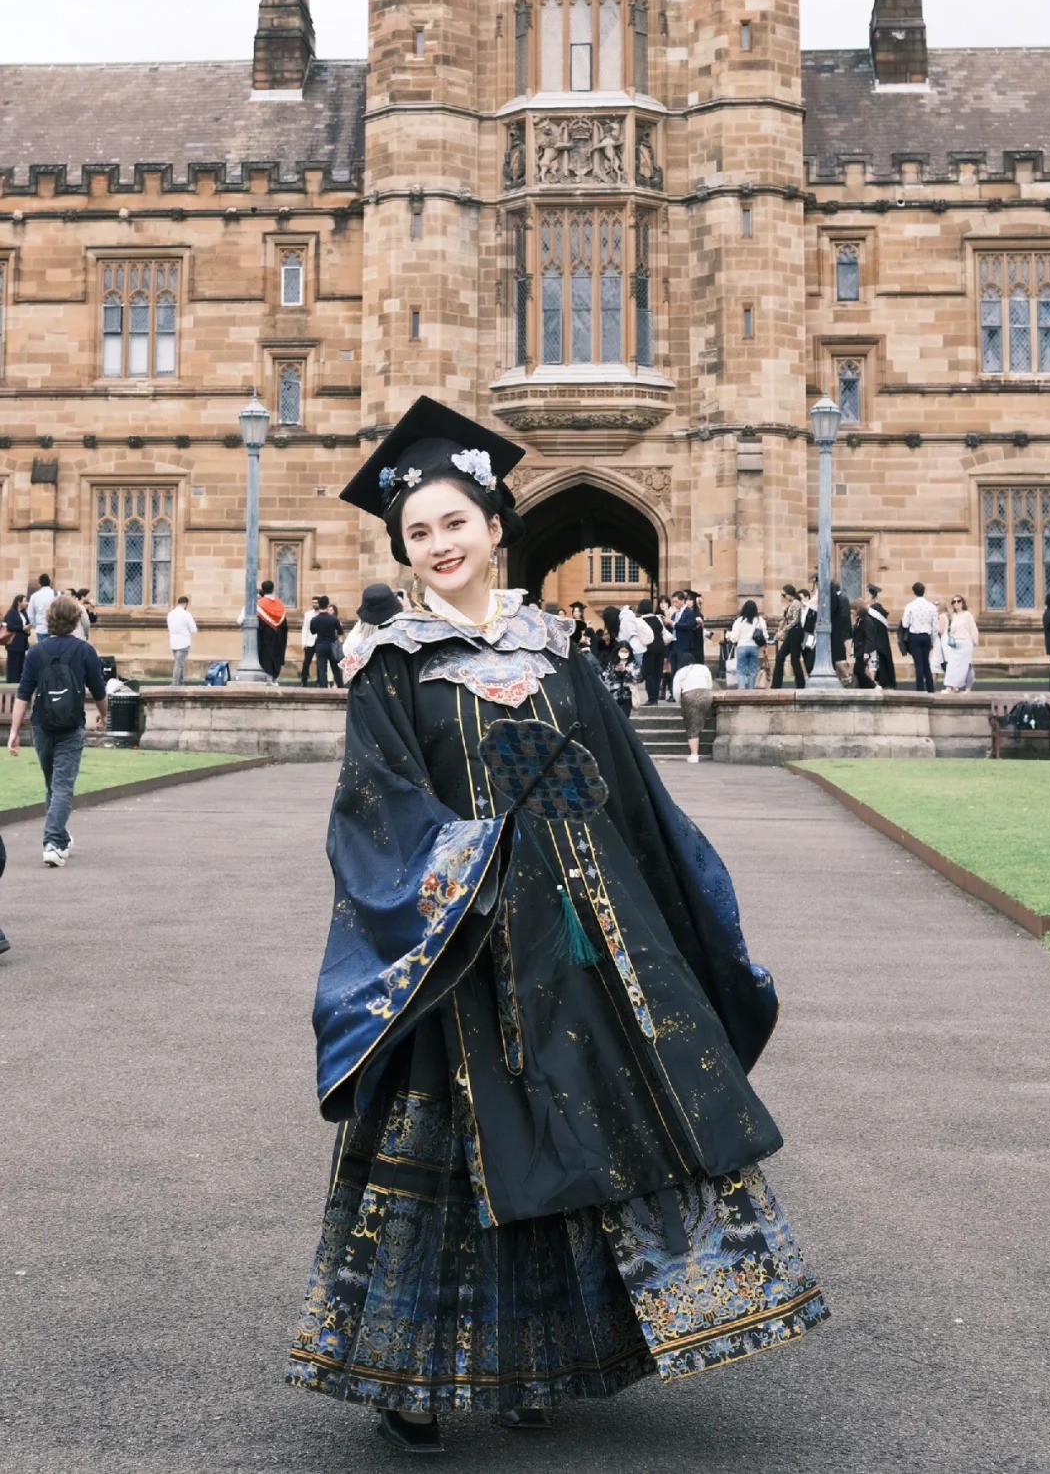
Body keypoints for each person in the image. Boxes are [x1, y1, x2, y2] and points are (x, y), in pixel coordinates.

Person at [286, 396, 827, 1451]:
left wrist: (669, 915)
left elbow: (631, 792)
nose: (439, 544)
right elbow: (373, 810)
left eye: (455, 522)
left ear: (496, 526)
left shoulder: (560, 652)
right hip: (460, 950)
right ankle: (409, 1377)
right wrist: (468, 865)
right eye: (418, 532)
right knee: (458, 1153)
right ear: (404, 551)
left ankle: (535, 1357)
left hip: (579, 940)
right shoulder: (393, 666)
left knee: (574, 1132)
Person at [7, 594, 107, 867]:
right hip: (72, 726)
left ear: (49, 619)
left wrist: (14, 730)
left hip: (42, 725)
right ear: (75, 620)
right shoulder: (85, 651)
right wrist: (103, 715)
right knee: (62, 786)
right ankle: (52, 842)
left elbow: (23, 694)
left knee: (54, 783)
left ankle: (60, 838)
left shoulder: (36, 652)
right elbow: (99, 691)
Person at [672, 656, 715, 761]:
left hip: (690, 696)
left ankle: (694, 755)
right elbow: (710, 684)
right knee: (702, 717)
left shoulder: (680, 672)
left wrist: (681, 703)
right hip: (706, 695)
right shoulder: (703, 668)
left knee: (692, 726)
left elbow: (676, 692)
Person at [901, 582, 938, 694]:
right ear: (923, 591)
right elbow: (935, 626)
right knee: (926, 663)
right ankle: (930, 688)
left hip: (915, 636)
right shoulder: (931, 607)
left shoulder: (910, 606)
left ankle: (920, 690)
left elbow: (905, 624)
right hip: (926, 636)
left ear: (914, 592)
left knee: (918, 664)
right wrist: (933, 640)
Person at [940, 596, 979, 692]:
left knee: (966, 666)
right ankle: (950, 686)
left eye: (958, 601)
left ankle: (967, 687)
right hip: (955, 644)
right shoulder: (954, 616)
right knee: (951, 665)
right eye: (954, 602)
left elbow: (973, 628)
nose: (956, 603)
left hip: (965, 642)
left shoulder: (967, 615)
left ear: (962, 603)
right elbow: (952, 631)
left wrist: (975, 640)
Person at [727, 600, 767, 690]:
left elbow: (734, 637)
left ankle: (741, 690)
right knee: (752, 671)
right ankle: (751, 690)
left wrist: (731, 638)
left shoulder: (739, 621)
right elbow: (765, 635)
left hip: (742, 647)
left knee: (740, 671)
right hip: (754, 647)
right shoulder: (759, 620)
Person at [771, 585, 805, 689]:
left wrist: (784, 630)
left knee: (794, 659)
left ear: (789, 594)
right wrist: (781, 630)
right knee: (780, 656)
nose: (783, 597)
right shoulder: (791, 604)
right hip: (791, 632)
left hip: (796, 632)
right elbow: (787, 619)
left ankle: (800, 684)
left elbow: (795, 620)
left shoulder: (796, 603)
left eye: (784, 595)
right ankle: (776, 684)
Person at [636, 598, 668, 705]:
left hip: (648, 649)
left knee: (649, 673)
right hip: (660, 648)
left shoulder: (639, 621)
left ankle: (651, 698)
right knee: (658, 673)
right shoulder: (658, 618)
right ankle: (656, 697)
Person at [864, 586, 896, 690]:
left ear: (870, 596)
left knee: (873, 662)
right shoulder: (881, 611)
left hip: (874, 640)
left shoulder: (872, 611)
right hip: (882, 640)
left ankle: (873, 682)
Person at [256, 579, 289, 682]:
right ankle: (274, 676)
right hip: (279, 636)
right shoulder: (280, 604)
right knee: (276, 656)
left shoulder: (259, 604)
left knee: (266, 656)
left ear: (262, 590)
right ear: (273, 589)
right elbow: (284, 626)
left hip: (265, 636)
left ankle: (268, 677)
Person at [310, 595, 344, 688]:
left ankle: (323, 689)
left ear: (319, 605)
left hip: (320, 645)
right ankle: (341, 688)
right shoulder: (334, 619)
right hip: (332, 645)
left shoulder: (314, 619)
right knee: (335, 669)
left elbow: (313, 632)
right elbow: (340, 632)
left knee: (322, 669)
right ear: (328, 605)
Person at [602, 640, 639, 717]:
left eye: (626, 651)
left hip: (627, 694)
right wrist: (615, 672)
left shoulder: (633, 663)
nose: (624, 653)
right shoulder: (612, 663)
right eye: (622, 651)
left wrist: (626, 672)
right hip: (614, 693)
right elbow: (607, 679)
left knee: (625, 717)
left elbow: (637, 678)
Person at [851, 601, 882, 691]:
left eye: (853, 610)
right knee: (858, 670)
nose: (852, 612)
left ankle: (873, 686)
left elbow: (870, 638)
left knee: (858, 670)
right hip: (859, 649)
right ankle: (864, 687)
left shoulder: (867, 621)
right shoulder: (859, 620)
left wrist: (866, 652)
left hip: (863, 650)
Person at [166, 596, 198, 685]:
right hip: (184, 643)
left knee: (179, 663)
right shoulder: (186, 614)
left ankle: (181, 682)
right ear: (186, 604)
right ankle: (175, 683)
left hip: (173, 643)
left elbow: (170, 628)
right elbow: (193, 629)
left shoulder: (170, 614)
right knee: (179, 665)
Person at [3, 594, 30, 684]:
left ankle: (19, 679)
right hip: (13, 641)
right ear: (19, 602)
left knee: (21, 661)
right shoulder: (12, 612)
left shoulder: (24, 613)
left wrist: (27, 629)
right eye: (25, 601)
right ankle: (11, 680)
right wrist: (22, 628)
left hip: (23, 641)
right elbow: (10, 626)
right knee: (13, 661)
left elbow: (27, 624)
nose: (27, 603)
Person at [26, 573, 58, 642]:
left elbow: (30, 614)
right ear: (49, 582)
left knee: (42, 648)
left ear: (39, 584)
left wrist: (35, 624)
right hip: (55, 628)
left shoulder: (34, 596)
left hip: (41, 628)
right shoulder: (57, 594)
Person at [300, 598, 320, 687]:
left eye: (316, 603)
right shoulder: (308, 614)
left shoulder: (323, 614)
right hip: (309, 641)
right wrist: (303, 642)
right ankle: (304, 680)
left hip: (320, 641)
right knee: (306, 662)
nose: (314, 604)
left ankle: (319, 681)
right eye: (313, 603)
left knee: (319, 663)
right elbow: (305, 629)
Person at [799, 587, 816, 679]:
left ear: (807, 598)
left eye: (801, 598)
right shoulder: (799, 610)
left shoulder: (812, 610)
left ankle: (811, 673)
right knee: (804, 656)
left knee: (809, 656)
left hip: (809, 635)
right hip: (801, 635)